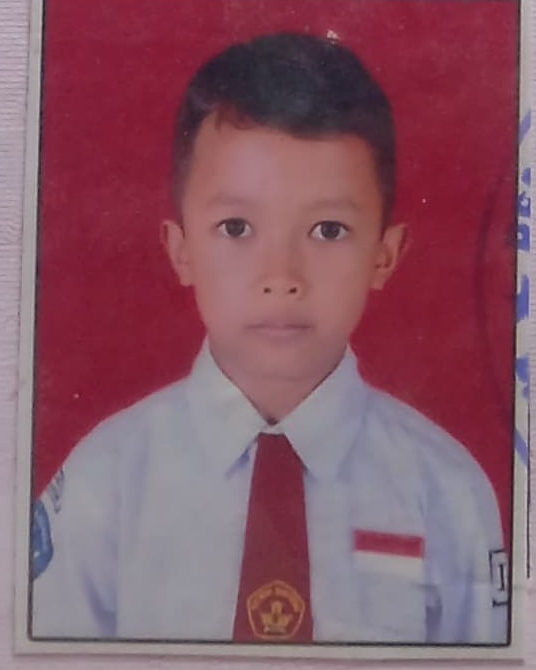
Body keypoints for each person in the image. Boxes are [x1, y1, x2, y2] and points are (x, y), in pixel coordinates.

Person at [31, 32, 509, 644]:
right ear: (181, 250)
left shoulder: (448, 491)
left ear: (384, 256)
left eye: (328, 230)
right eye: (236, 227)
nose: (281, 277)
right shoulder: (105, 482)